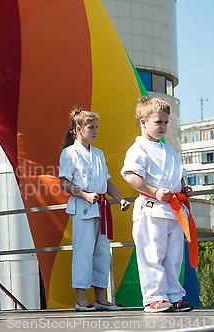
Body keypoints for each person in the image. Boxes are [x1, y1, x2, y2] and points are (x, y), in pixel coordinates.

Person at [121, 97, 196, 313]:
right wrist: (154, 191)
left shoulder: (170, 151)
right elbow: (130, 175)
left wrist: (184, 190)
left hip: (173, 211)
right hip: (151, 209)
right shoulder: (138, 148)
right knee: (152, 255)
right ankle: (154, 297)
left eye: (165, 122)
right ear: (143, 122)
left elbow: (179, 177)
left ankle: (174, 296)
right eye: (158, 122)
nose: (163, 127)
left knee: (173, 257)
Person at [59, 108, 130, 312]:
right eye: (91, 127)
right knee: (83, 252)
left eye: (96, 127)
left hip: (101, 206)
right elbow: (64, 182)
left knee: (102, 252)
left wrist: (120, 199)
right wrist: (84, 195)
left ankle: (101, 297)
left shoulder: (98, 154)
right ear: (78, 129)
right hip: (83, 205)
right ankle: (81, 298)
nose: (95, 131)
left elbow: (106, 182)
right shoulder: (69, 153)